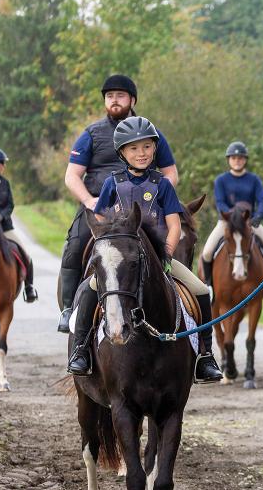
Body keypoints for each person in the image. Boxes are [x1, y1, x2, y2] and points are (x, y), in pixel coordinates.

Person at [67, 117, 222, 384]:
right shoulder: (111, 184)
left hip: (158, 257)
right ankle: (81, 349)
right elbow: (101, 220)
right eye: (134, 149)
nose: (141, 154)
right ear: (122, 153)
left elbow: (174, 226)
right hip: (123, 258)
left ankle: (205, 356)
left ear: (154, 149)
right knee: (90, 289)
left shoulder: (162, 185)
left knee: (201, 290)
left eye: (147, 147)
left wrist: (167, 256)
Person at [57, 74, 179, 333]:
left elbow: (171, 173)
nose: (114, 100)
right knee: (75, 247)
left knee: (184, 244)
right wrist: (90, 201)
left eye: (120, 96)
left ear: (132, 99)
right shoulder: (91, 133)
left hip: (147, 210)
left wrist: (158, 195)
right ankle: (69, 308)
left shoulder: (152, 132)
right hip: (100, 209)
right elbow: (72, 176)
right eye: (109, 96)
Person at [200, 141, 263, 296]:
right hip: (226, 222)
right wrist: (230, 216)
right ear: (229, 159)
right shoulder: (221, 180)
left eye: (240, 158)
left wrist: (259, 216)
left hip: (249, 222)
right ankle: (209, 286)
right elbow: (220, 202)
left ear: (245, 160)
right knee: (207, 252)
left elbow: (262, 200)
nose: (237, 160)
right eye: (234, 158)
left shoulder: (254, 180)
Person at [0, 147, 38, 302]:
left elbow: (10, 205)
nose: (4, 166)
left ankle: (29, 288)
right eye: (2, 163)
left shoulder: (5, 183)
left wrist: (1, 216)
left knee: (25, 255)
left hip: (5, 228)